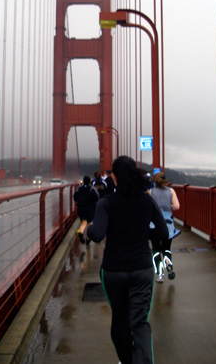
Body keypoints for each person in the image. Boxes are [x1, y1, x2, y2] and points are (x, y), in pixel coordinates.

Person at [87, 156, 168, 364]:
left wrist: (88, 229)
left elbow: (97, 234)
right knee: (139, 322)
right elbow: (162, 232)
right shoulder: (146, 200)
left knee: (120, 319)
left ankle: (127, 361)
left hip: (114, 270)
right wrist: (141, 234)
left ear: (113, 177)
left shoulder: (106, 203)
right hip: (142, 268)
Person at [149, 171, 180, 283]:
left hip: (154, 224)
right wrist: (168, 206)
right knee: (166, 248)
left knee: (156, 249)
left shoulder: (150, 192)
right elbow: (176, 206)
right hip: (168, 223)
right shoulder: (171, 191)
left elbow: (147, 207)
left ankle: (160, 275)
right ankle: (168, 263)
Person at [74, 175, 99, 244]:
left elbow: (75, 198)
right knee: (89, 223)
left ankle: (81, 233)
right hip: (90, 208)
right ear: (90, 181)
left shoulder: (79, 188)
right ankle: (88, 239)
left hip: (81, 208)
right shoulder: (92, 189)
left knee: (83, 222)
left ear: (83, 181)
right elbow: (97, 198)